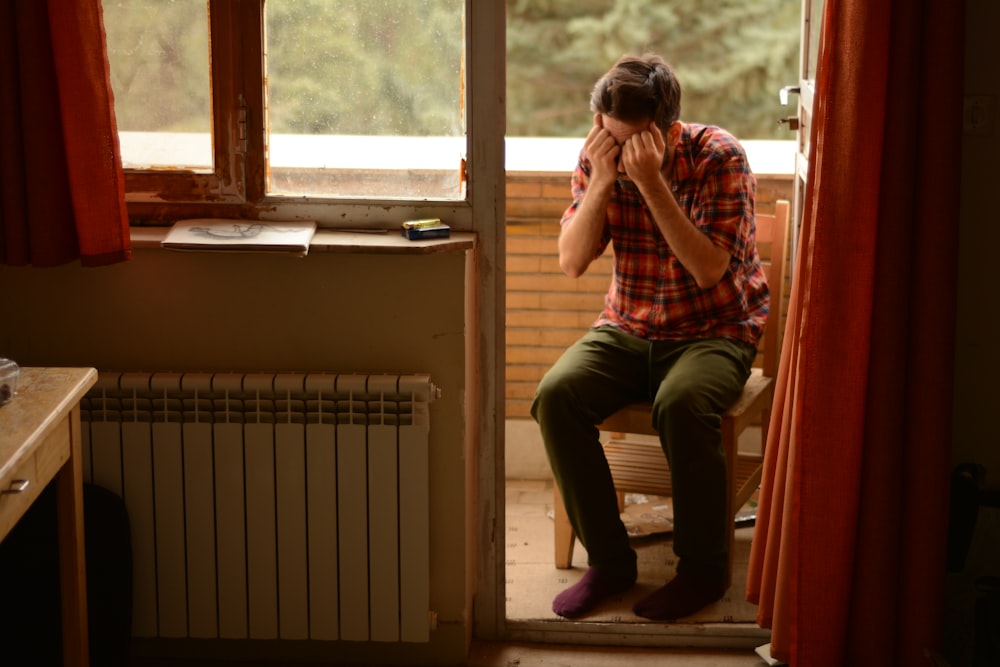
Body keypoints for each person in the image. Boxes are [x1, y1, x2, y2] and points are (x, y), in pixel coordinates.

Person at [530, 53, 768, 621]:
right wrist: (605, 179)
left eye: (631, 142)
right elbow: (570, 261)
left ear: (671, 131)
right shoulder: (600, 158)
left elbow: (709, 269)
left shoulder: (719, 156)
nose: (616, 149)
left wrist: (651, 181)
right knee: (555, 397)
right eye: (607, 138)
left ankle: (703, 572)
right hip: (628, 326)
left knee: (682, 404)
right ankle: (609, 563)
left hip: (716, 329)